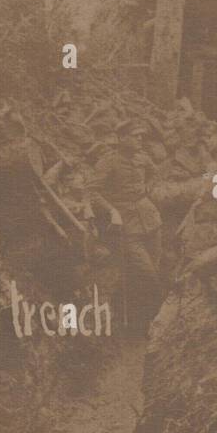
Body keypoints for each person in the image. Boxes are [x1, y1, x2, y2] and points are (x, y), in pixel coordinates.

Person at [88, 119, 165, 335]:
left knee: (153, 272)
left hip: (152, 221)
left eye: (141, 136)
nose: (140, 139)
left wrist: (148, 189)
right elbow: (92, 192)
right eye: (134, 136)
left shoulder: (142, 158)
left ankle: (146, 324)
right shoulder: (108, 162)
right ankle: (143, 324)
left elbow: (155, 173)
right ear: (121, 138)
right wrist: (111, 210)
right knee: (146, 274)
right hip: (128, 227)